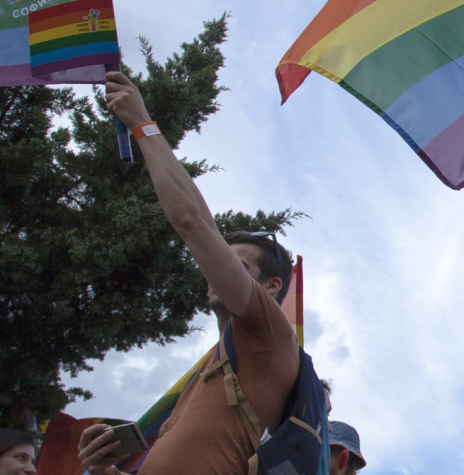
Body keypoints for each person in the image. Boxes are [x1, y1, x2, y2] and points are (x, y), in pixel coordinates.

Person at [76, 72, 299, 475]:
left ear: (271, 286)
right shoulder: (211, 370)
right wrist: (102, 470)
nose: (216, 271)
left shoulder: (269, 337)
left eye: (239, 266)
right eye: (222, 260)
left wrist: (142, 126)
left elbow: (192, 221)